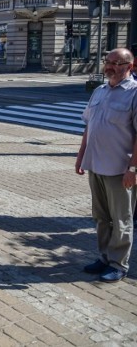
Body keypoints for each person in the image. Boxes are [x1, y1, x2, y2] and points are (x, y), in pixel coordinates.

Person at [76, 47, 137, 283]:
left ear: (129, 66)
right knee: (101, 217)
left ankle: (118, 264)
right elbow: (89, 125)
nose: (109, 66)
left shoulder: (133, 93)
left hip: (121, 169)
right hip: (96, 164)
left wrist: (132, 169)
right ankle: (104, 257)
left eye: (116, 63)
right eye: (108, 61)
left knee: (121, 218)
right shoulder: (100, 90)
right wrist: (81, 155)